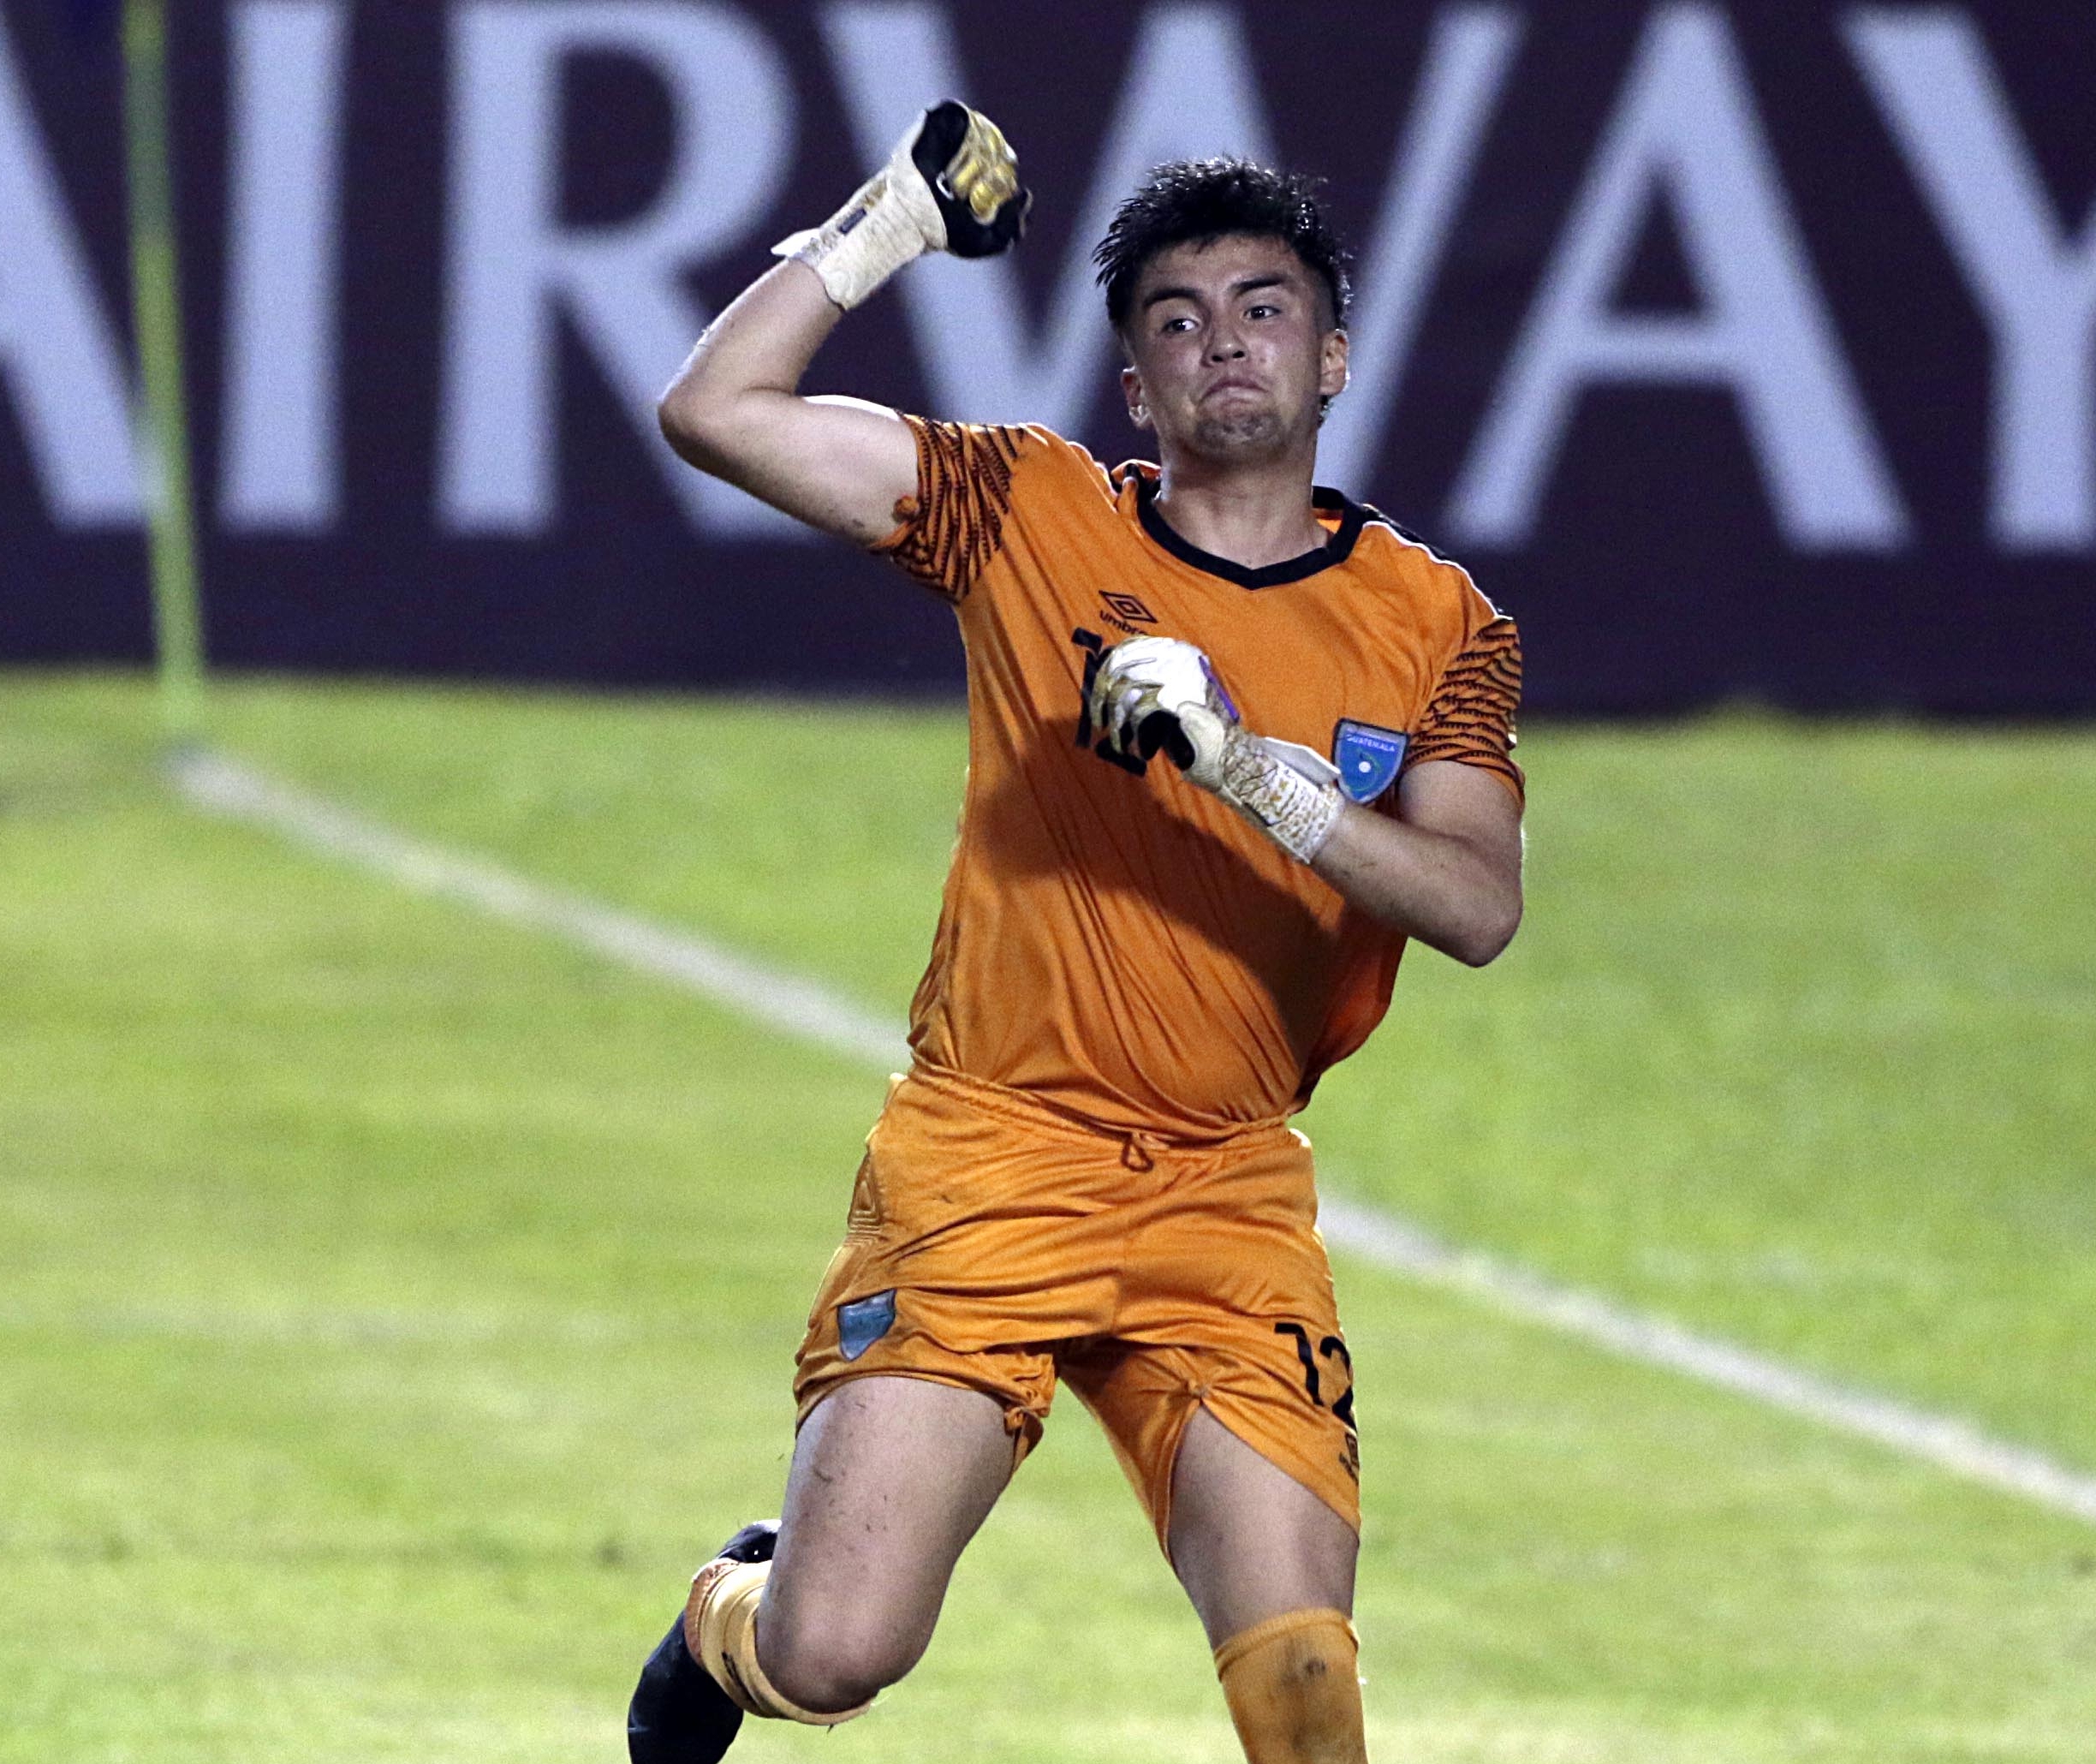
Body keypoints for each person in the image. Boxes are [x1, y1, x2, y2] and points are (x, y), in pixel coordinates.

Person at [628, 102, 1526, 1764]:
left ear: (1332, 360)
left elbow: (1475, 907)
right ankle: (726, 1619)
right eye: (1173, 324)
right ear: (1136, 391)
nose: (1222, 347)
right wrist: (883, 226)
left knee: (1306, 1697)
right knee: (834, 1654)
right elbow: (713, 410)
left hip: (1225, 1181)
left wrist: (1242, 764)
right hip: (990, 1149)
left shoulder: (1437, 625)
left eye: (1264, 309)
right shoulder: (1024, 513)